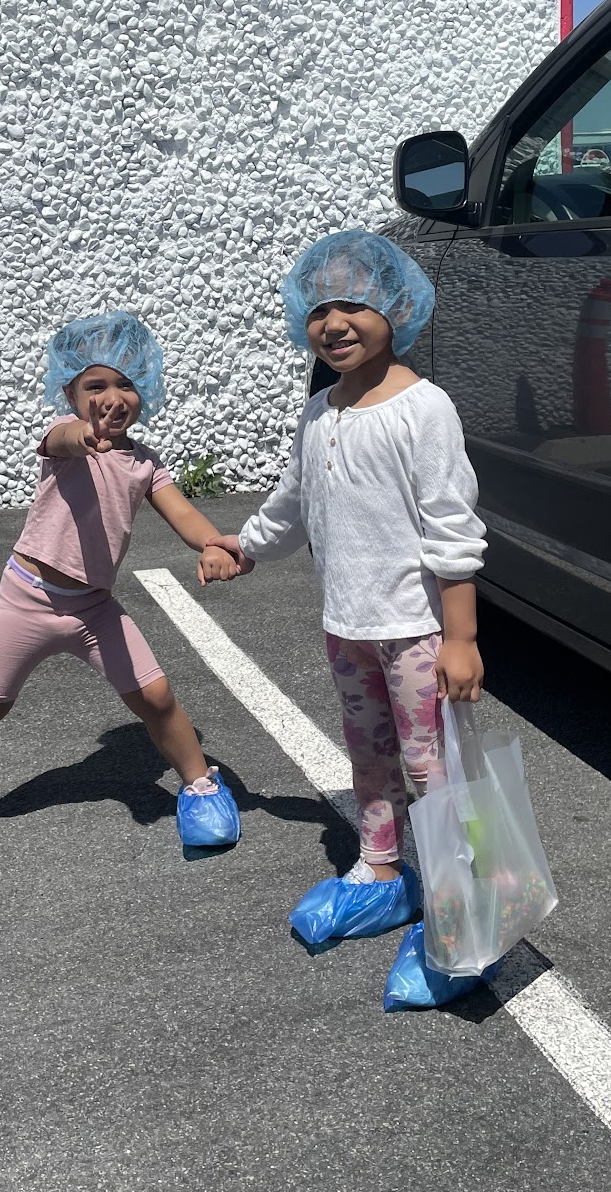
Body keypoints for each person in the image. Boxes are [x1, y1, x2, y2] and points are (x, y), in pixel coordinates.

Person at [210, 229, 489, 1007]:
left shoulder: (423, 408)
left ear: (396, 310)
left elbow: (452, 526)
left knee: (433, 773)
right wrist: (245, 548)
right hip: (348, 629)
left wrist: (461, 637)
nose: (333, 323)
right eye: (318, 309)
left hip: (416, 633)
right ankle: (380, 868)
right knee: (369, 760)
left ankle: (461, 912)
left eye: (354, 306)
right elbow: (292, 503)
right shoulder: (319, 412)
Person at [0, 311, 243, 856]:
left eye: (126, 384)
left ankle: (200, 788)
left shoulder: (145, 464)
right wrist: (84, 434)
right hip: (25, 600)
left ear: (146, 392)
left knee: (157, 697)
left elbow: (183, 513)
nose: (112, 398)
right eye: (95, 386)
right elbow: (65, 438)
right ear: (69, 393)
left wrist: (212, 544)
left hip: (95, 610)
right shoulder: (64, 440)